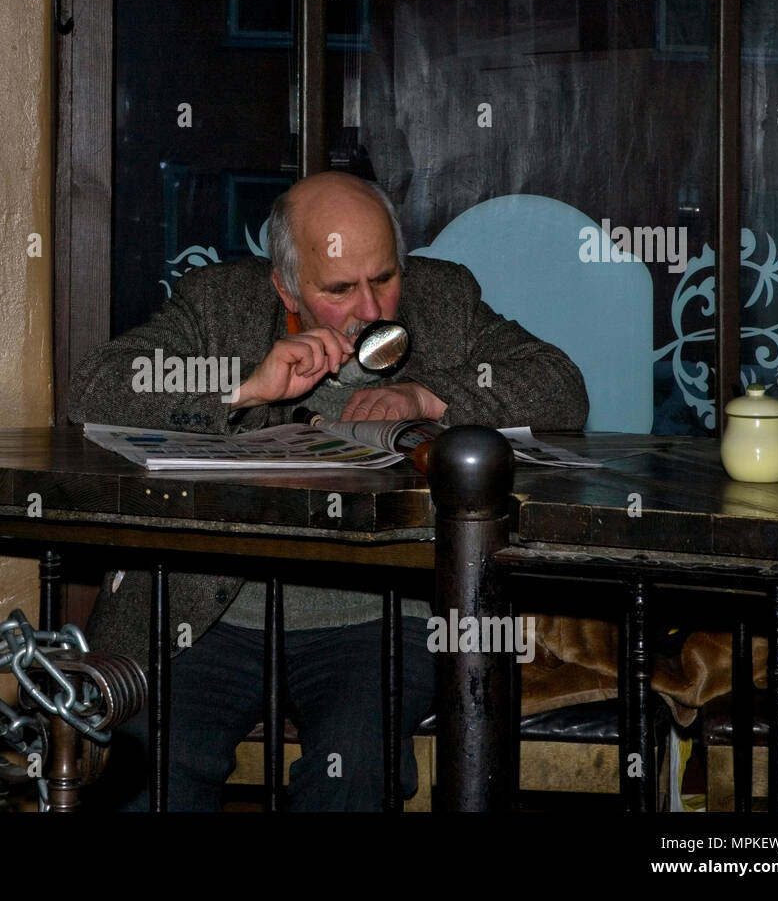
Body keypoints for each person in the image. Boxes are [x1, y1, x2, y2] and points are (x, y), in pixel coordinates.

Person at [67, 171, 588, 810]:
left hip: (377, 616)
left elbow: (562, 386)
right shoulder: (220, 304)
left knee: (354, 774)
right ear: (286, 283)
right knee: (151, 775)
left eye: (385, 278)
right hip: (206, 615)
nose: (372, 310)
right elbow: (96, 388)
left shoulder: (443, 297)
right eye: (339, 289)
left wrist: (431, 396)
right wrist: (243, 389)